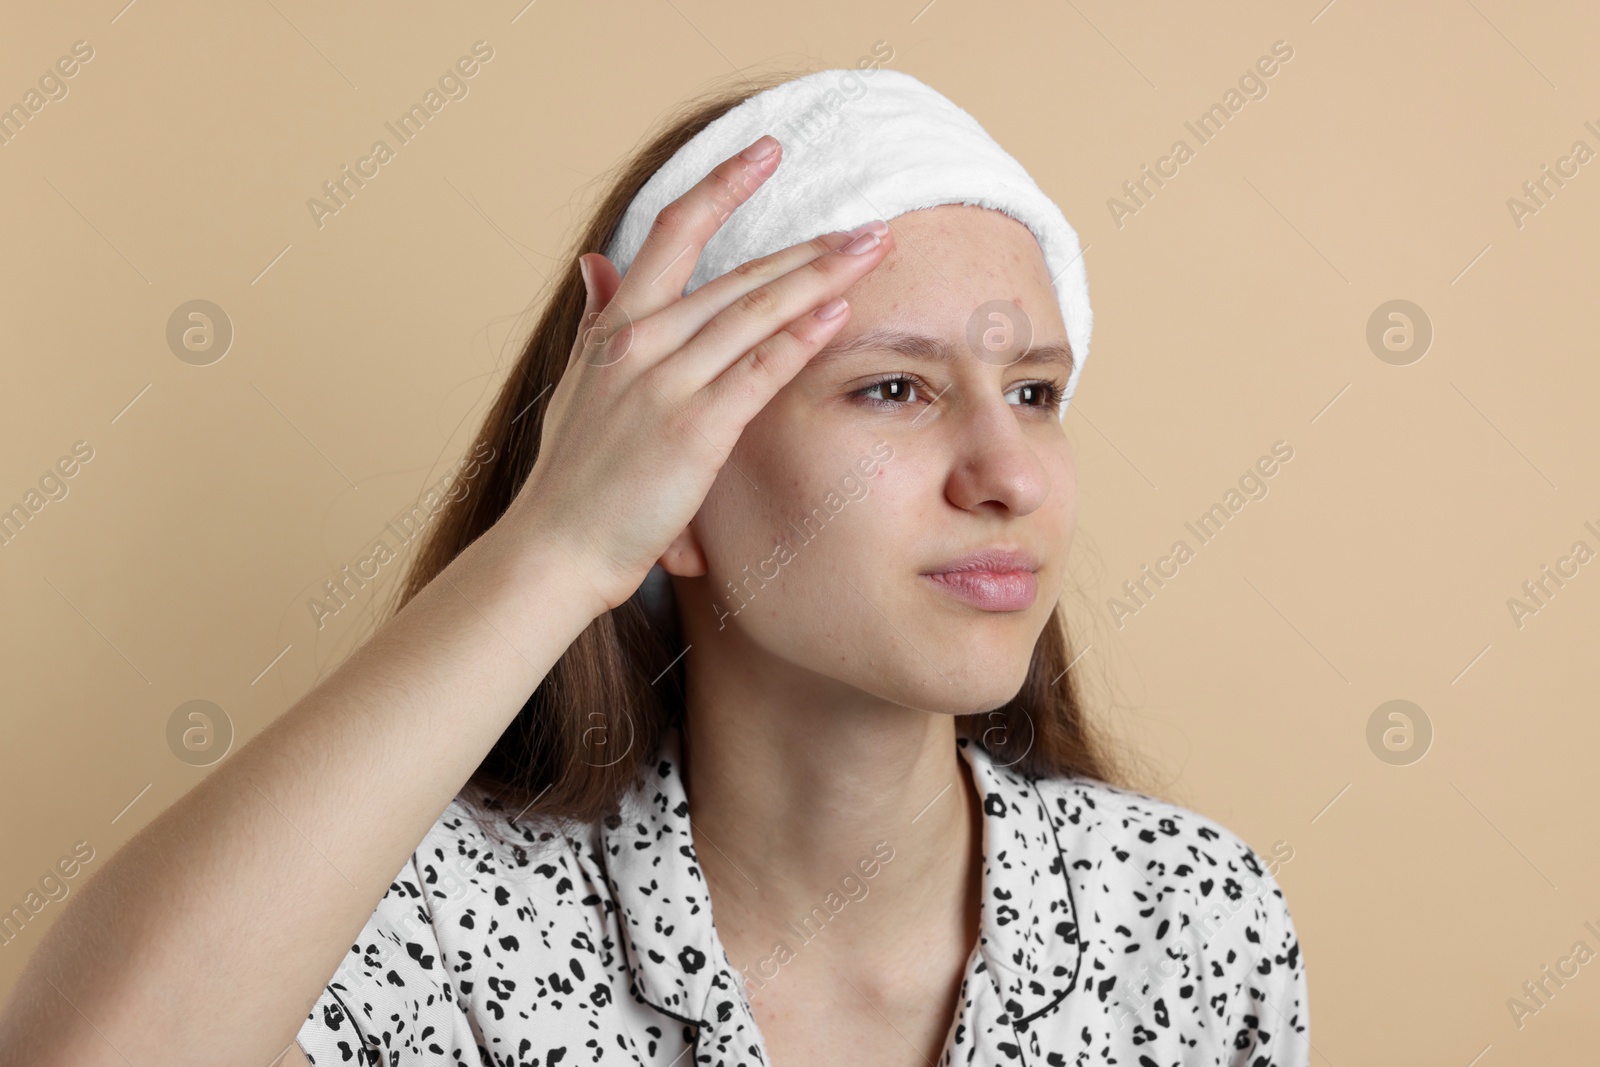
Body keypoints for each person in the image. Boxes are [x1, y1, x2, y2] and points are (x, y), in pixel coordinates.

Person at [0, 68, 1308, 1066]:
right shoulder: (448, 931)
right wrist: (562, 544)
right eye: (896, 386)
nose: (1009, 475)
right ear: (673, 484)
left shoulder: (1186, 921)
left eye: (1034, 392)